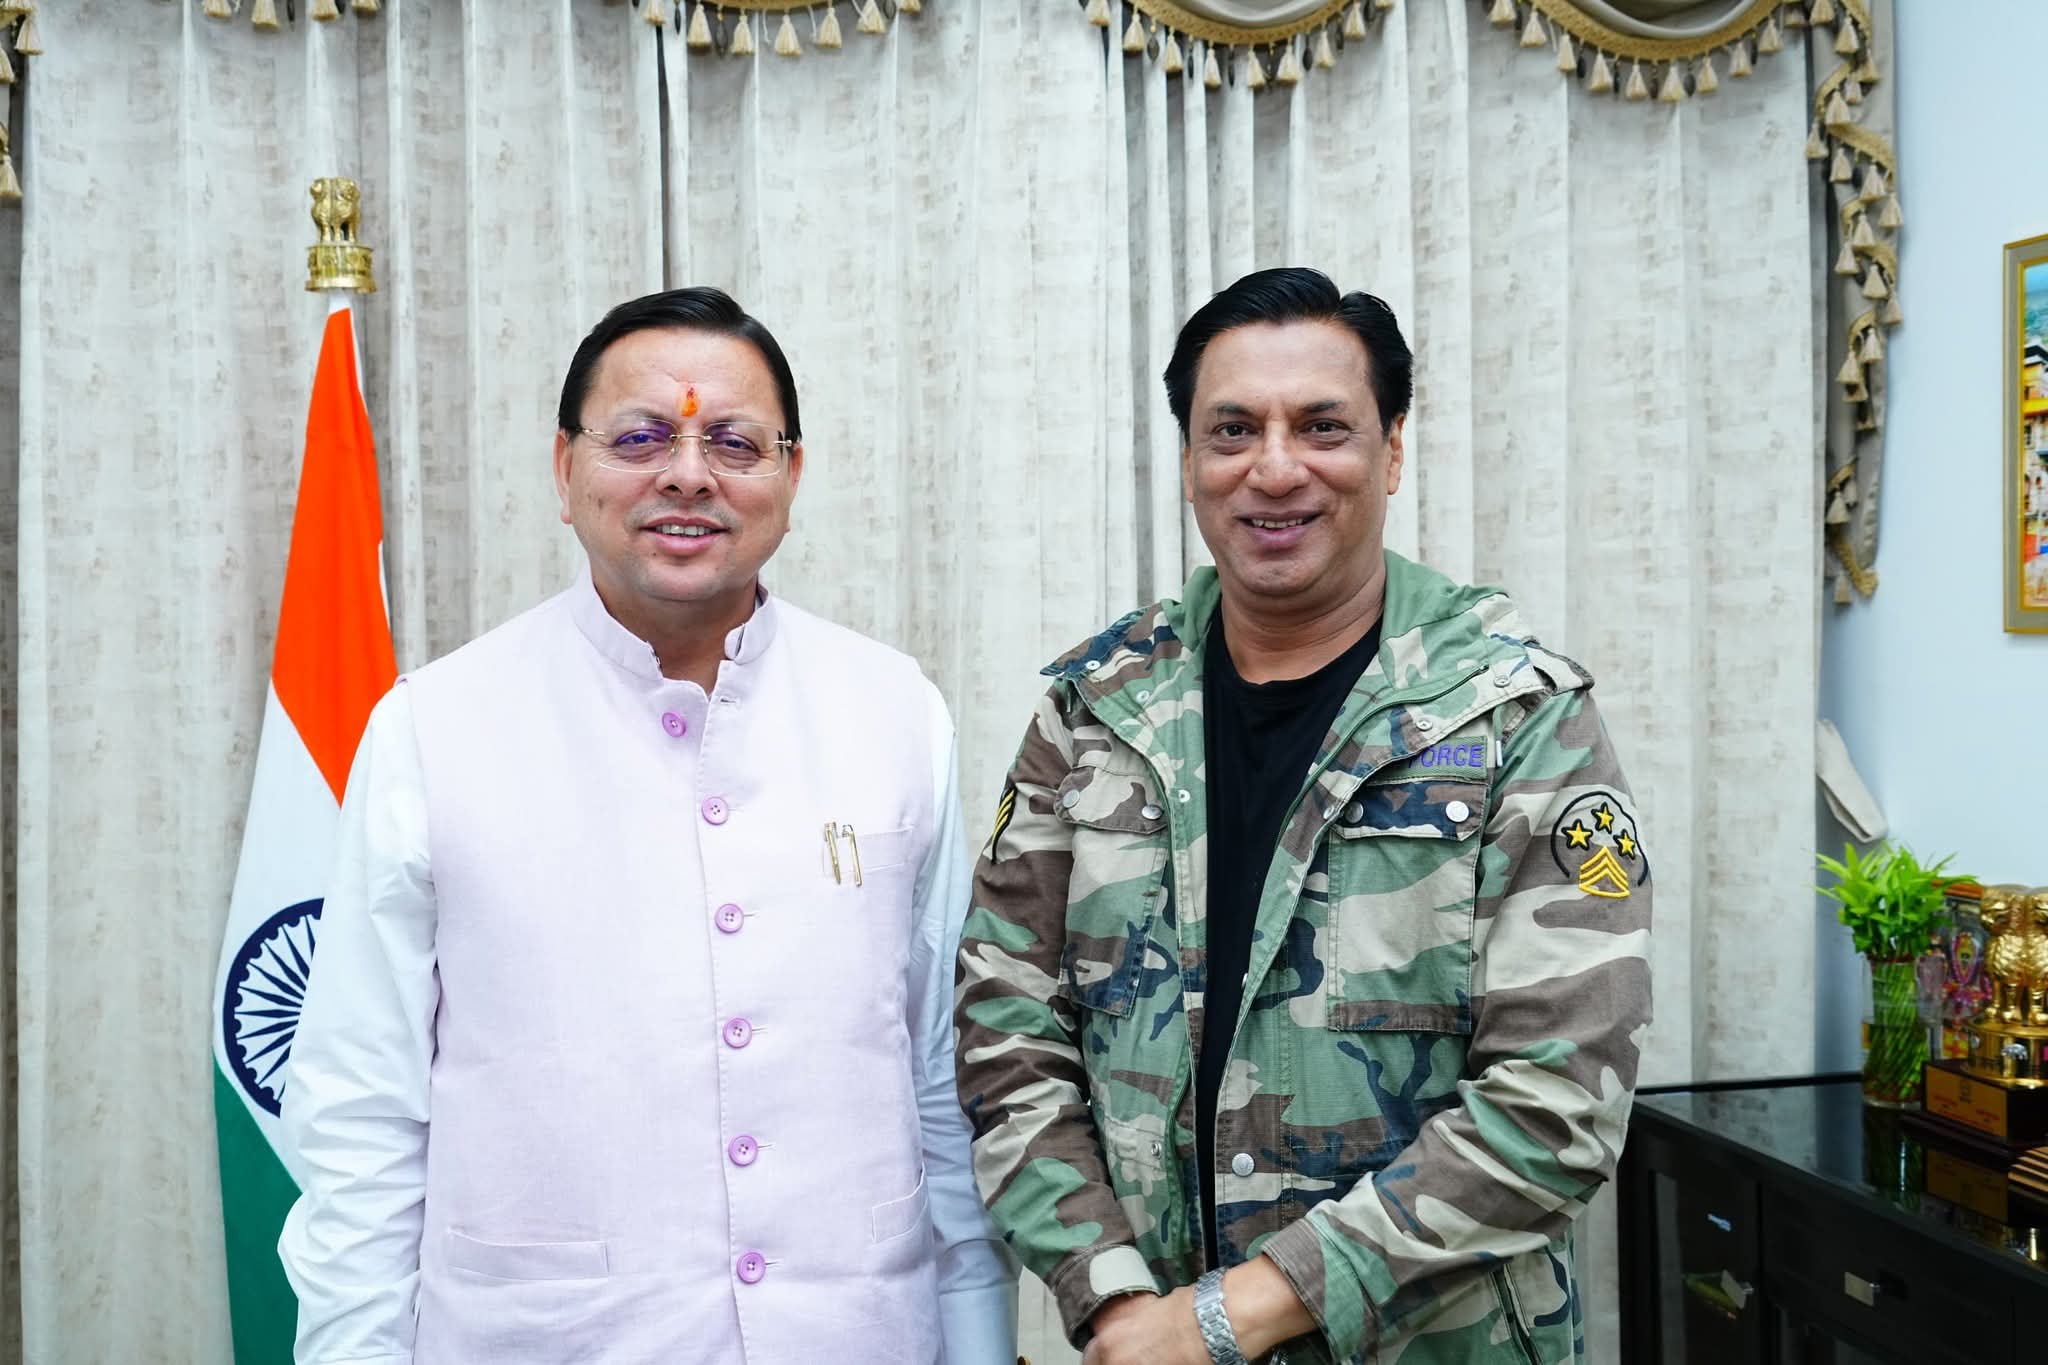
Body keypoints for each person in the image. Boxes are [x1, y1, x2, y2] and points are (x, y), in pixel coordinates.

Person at [279, 287, 1016, 1364]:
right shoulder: (433, 728)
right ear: (563, 469)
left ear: (792, 476)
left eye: (734, 443)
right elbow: (360, 1112)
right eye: (639, 439)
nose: (687, 474)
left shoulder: (894, 711)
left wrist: (980, 1339)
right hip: (547, 1339)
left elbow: (944, 1079)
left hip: (855, 1330)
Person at [954, 268, 1652, 1365]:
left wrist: (1228, 1319)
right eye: (1232, 431)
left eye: (1322, 427)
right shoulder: (1092, 708)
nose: (1274, 469)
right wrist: (1115, 1303)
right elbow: (1006, 1029)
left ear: (1392, 449)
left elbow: (1556, 1099)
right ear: (1190, 461)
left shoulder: (1514, 712)